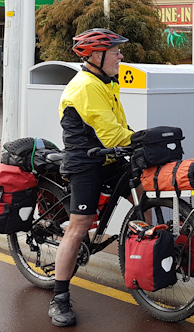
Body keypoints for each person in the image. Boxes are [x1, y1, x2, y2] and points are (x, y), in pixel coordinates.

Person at [50, 29, 134, 327]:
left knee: (142, 190)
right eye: (115, 52)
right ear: (96, 56)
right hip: (85, 162)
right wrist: (144, 138)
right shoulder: (85, 86)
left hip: (107, 156)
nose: (121, 56)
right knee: (80, 226)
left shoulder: (106, 81)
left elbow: (118, 126)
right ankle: (60, 298)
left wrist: (139, 139)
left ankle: (150, 251)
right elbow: (112, 134)